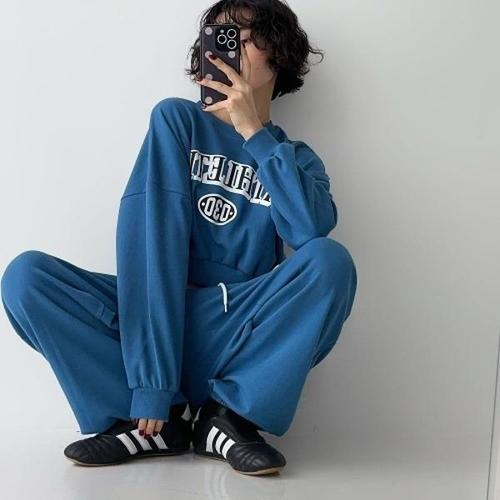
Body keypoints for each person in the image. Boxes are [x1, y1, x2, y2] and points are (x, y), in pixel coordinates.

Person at [0, 0, 357, 476]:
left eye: (244, 38)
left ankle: (228, 419)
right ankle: (153, 422)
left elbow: (309, 233)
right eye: (220, 39)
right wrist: (152, 383)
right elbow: (151, 243)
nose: (229, 50)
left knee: (331, 261)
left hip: (236, 332)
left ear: (278, 55)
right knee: (26, 278)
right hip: (152, 322)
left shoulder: (296, 158)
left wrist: (254, 132)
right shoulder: (178, 122)